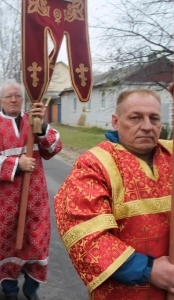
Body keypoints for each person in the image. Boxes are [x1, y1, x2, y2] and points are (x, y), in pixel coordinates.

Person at [54, 89, 174, 300]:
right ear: (116, 122)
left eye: (154, 118)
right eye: (135, 118)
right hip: (124, 292)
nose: (147, 126)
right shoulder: (93, 165)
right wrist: (149, 270)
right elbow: (86, 235)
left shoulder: (170, 154)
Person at [0, 79, 62, 300]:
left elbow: (54, 148)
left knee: (36, 241)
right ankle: (10, 290)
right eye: (9, 96)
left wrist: (43, 126)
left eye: (18, 95)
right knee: (6, 245)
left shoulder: (33, 121)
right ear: (0, 100)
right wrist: (17, 165)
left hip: (34, 197)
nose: (14, 99)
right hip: (2, 201)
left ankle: (31, 286)